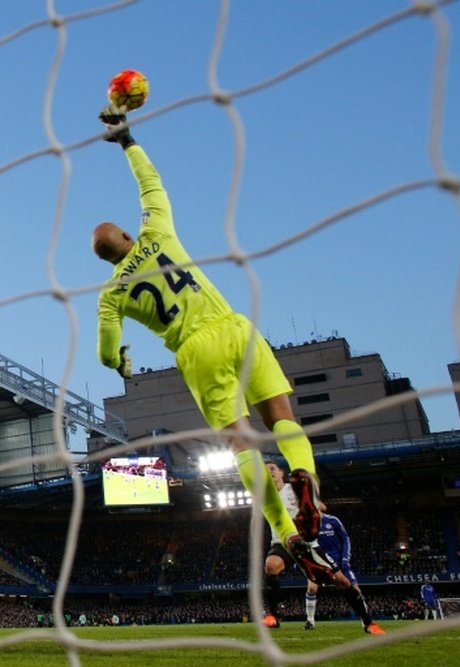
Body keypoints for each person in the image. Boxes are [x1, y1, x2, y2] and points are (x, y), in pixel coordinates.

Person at [93, 107, 339, 585]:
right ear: (125, 234)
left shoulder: (111, 294)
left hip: (194, 349)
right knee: (282, 416)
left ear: (104, 259)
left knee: (238, 441)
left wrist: (120, 362)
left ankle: (284, 528)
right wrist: (126, 140)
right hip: (233, 326)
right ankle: (304, 476)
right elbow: (152, 184)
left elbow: (106, 350)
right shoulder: (157, 232)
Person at [260, 463, 384, 634]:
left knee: (341, 581)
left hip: (307, 543)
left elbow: (321, 507)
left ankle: (368, 622)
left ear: (281, 473)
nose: (269, 472)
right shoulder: (264, 496)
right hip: (282, 543)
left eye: (272, 469)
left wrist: (309, 503)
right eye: (265, 471)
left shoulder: (295, 489)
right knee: (271, 566)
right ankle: (272, 616)